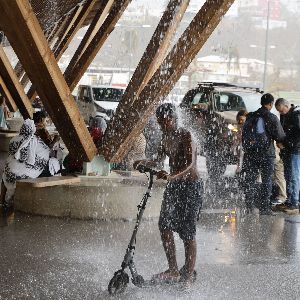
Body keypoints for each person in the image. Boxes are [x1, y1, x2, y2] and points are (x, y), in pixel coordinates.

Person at [134, 103, 203, 287]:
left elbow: (190, 164)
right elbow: (158, 159)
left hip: (190, 187)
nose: (163, 126)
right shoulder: (165, 136)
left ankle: (187, 275)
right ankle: (172, 269)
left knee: (187, 231)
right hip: (174, 186)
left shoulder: (186, 135)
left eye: (165, 122)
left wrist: (171, 175)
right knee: (164, 225)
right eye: (159, 122)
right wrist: (143, 161)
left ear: (173, 119)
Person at [242, 93, 285, 215]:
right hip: (266, 154)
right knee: (266, 181)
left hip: (250, 153)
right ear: (271, 104)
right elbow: (279, 135)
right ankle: (264, 208)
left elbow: (244, 133)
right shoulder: (271, 117)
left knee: (250, 179)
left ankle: (249, 207)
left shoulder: (251, 116)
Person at [0, 119, 55, 211]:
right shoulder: (36, 141)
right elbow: (47, 151)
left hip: (10, 172)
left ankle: (1, 200)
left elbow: (11, 155)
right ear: (32, 130)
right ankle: (19, 204)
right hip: (26, 174)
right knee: (38, 170)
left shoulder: (13, 140)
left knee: (5, 174)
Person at [275, 98, 300, 214]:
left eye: (281, 111)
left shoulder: (296, 115)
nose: (281, 113)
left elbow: (296, 135)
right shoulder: (285, 116)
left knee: (294, 176)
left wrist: (285, 143)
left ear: (286, 106)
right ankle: (289, 200)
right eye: (279, 112)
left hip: (295, 151)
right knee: (288, 176)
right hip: (287, 150)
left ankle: (294, 202)